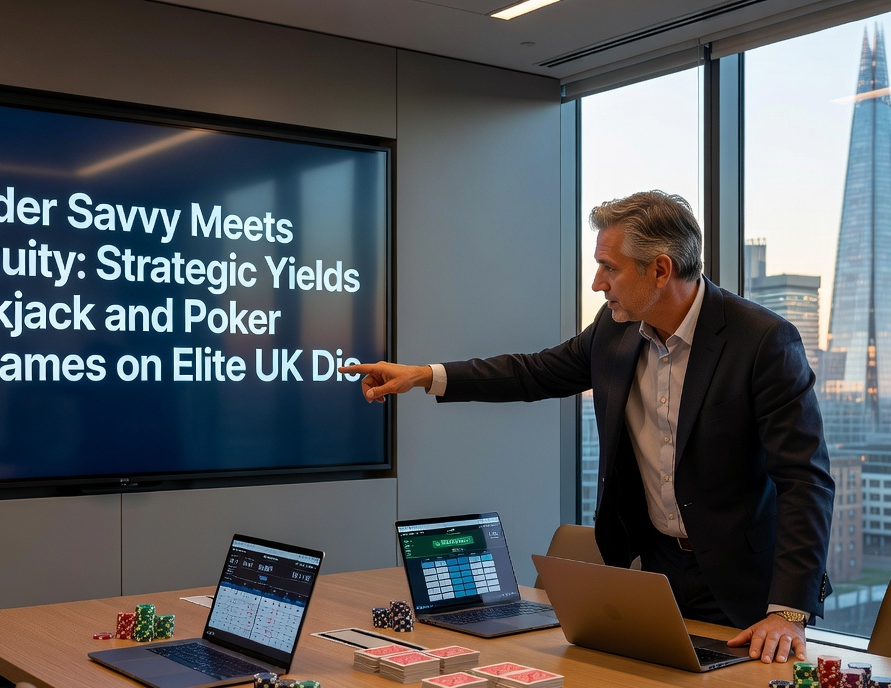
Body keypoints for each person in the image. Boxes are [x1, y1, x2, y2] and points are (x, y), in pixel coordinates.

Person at [339, 191, 833, 664]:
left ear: (660, 269)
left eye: (609, 268)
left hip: (750, 588)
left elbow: (804, 479)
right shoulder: (614, 331)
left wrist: (787, 611)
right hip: (659, 573)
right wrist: (425, 376)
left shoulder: (762, 340)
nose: (598, 283)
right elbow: (532, 371)